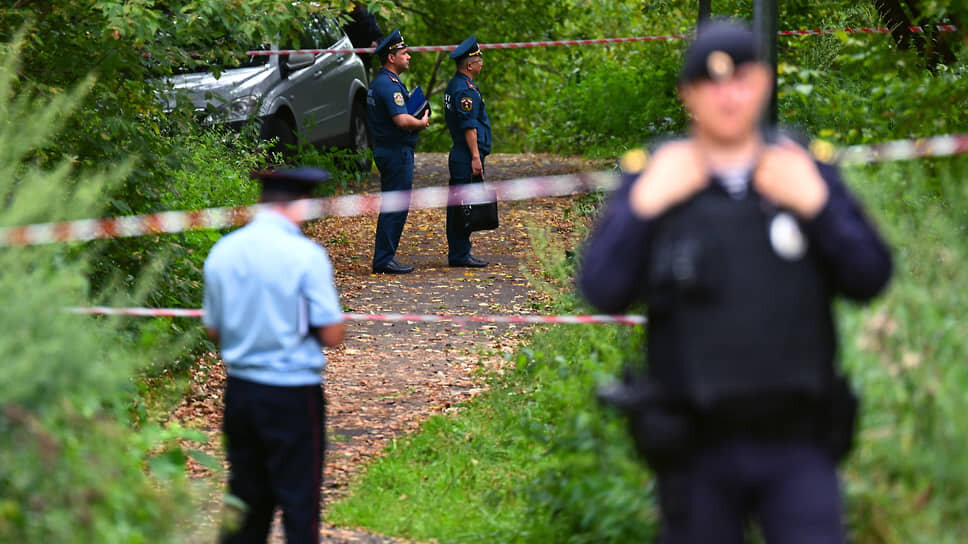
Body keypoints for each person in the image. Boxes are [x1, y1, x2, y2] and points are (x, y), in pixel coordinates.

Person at [580, 20, 893, 544]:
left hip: (798, 444)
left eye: (742, 78)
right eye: (710, 81)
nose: (728, 95)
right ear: (688, 95)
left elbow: (870, 276)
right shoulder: (657, 177)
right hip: (695, 449)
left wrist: (816, 206)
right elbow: (601, 287)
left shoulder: (803, 170)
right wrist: (643, 205)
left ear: (765, 83)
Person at [202, 167, 346, 544]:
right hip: (293, 392)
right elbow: (332, 332)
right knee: (300, 502)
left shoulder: (223, 251)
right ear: (300, 204)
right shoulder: (306, 255)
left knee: (245, 498)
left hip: (241, 391)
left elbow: (213, 329)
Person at [367, 28, 431, 274]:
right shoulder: (388, 85)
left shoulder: (385, 81)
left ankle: (385, 257)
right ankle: (384, 259)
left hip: (391, 150)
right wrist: (422, 122)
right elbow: (402, 120)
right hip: (395, 152)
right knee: (395, 205)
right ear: (391, 57)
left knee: (394, 204)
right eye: (404, 53)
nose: (409, 56)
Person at [443, 35, 491, 268]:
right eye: (479, 59)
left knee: (460, 203)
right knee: (463, 205)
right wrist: (475, 156)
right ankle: (460, 254)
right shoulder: (465, 90)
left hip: (462, 153)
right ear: (469, 65)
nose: (482, 63)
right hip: (465, 154)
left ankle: (460, 252)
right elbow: (468, 126)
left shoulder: (456, 85)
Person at [341, 1, 383, 80]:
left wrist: (376, 43)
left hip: (364, 62)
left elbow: (379, 37)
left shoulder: (368, 15)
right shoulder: (341, 16)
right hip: (344, 62)